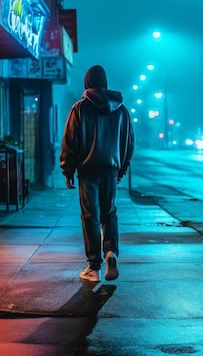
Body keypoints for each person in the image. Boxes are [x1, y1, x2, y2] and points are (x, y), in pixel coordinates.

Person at [60, 64, 134, 282]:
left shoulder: (80, 108)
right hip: (111, 169)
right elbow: (128, 143)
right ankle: (111, 251)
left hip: (88, 170)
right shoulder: (121, 110)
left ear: (87, 83)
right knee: (109, 212)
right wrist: (121, 169)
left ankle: (94, 267)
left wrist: (68, 169)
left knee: (90, 216)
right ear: (105, 83)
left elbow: (70, 141)